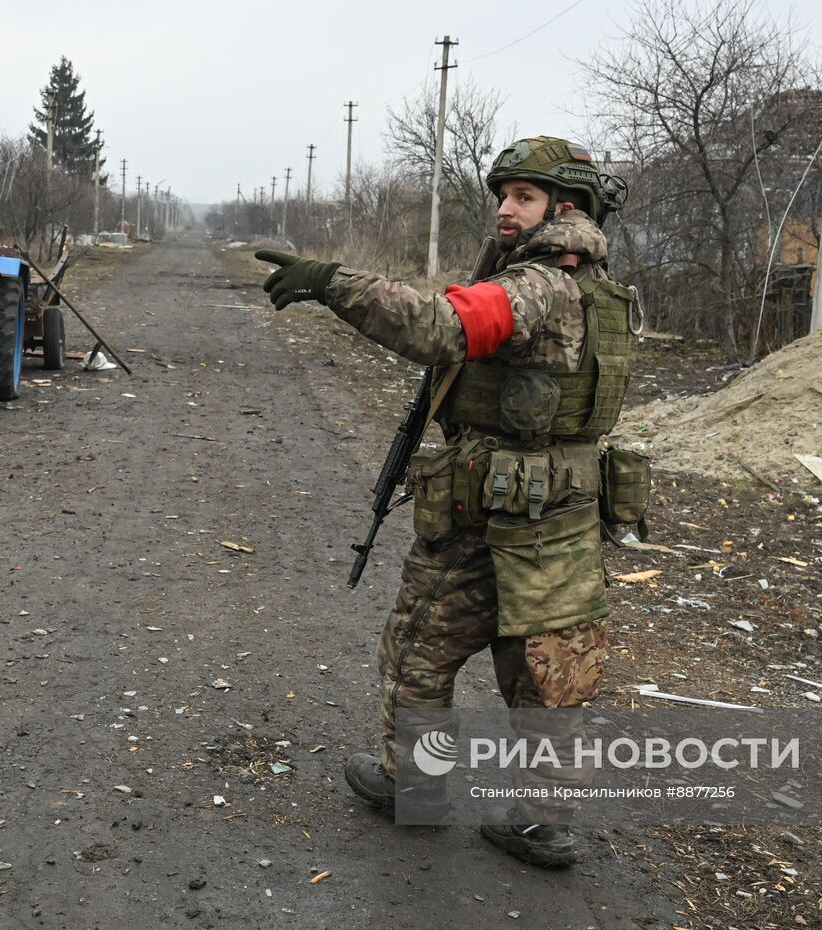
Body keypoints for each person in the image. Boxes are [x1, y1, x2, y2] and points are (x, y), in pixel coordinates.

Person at [256, 136, 634, 868]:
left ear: (566, 207)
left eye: (523, 197)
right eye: (503, 194)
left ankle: (416, 788)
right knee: (547, 672)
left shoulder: (540, 286)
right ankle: (542, 821)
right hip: (562, 516)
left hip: (484, 513)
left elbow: (443, 327)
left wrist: (331, 281)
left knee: (421, 649)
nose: (504, 208)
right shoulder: (603, 290)